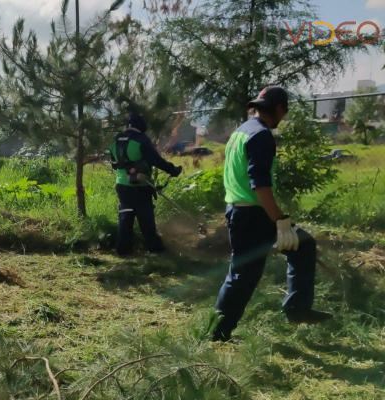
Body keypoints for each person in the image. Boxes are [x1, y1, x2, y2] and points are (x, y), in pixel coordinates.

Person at [212, 86, 332, 342]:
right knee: (242, 276)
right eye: (284, 111)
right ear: (279, 109)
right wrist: (280, 220)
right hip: (253, 215)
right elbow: (260, 185)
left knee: (302, 245)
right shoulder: (262, 136)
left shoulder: (240, 132)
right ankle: (218, 332)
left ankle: (297, 309)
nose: (284, 116)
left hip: (240, 211)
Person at [108, 113, 183, 256]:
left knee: (125, 217)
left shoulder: (116, 140)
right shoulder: (141, 140)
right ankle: (154, 249)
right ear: (140, 126)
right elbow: (156, 160)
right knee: (146, 218)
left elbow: (114, 164)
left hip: (122, 186)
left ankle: (123, 250)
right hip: (140, 186)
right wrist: (172, 170)